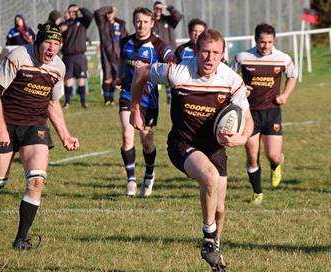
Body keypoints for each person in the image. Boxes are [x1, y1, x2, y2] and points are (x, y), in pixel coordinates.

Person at [130, 29, 253, 271]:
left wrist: (243, 137)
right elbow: (141, 71)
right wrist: (135, 109)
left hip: (215, 147)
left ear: (222, 55)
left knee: (219, 207)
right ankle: (208, 240)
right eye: (205, 51)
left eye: (215, 53)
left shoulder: (232, 81)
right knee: (209, 177)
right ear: (196, 51)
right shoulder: (177, 72)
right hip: (182, 143)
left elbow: (247, 118)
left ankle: (215, 252)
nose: (209, 58)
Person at [0, 22, 80, 251]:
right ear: (37, 42)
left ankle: (21, 239)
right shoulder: (18, 55)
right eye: (48, 42)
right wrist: (0, 128)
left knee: (37, 180)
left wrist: (65, 135)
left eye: (56, 44)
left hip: (35, 127)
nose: (52, 48)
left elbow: (53, 102)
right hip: (7, 124)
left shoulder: (58, 67)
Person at [230, 22, 297, 204]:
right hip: (249, 114)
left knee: (273, 155)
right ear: (255, 40)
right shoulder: (242, 57)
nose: (265, 46)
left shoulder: (283, 59)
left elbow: (292, 76)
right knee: (253, 156)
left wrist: (285, 95)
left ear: (273, 40)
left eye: (269, 42)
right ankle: (257, 193)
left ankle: (276, 166)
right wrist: (241, 89)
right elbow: (228, 78)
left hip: (272, 112)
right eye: (262, 42)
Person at [114, 7, 173, 198]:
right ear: (133, 22)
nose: (141, 25)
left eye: (145, 22)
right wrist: (119, 77)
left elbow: (171, 66)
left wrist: (151, 69)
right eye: (138, 21)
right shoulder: (125, 42)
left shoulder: (159, 45)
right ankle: (131, 180)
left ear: (152, 23)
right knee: (127, 136)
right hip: (128, 96)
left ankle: (149, 174)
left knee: (147, 142)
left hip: (150, 101)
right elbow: (122, 61)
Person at [94, 6, 128, 105]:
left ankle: (124, 98)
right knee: (108, 77)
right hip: (106, 55)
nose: (109, 14)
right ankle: (108, 100)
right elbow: (97, 12)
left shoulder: (120, 25)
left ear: (114, 13)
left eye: (111, 12)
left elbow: (125, 37)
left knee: (121, 76)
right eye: (107, 13)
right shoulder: (103, 23)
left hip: (119, 55)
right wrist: (109, 8)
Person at [60, 4, 93, 109]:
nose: (73, 13)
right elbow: (56, 31)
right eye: (71, 11)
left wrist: (80, 9)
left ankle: (83, 102)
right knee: (68, 80)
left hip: (79, 56)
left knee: (80, 79)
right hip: (68, 56)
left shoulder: (83, 22)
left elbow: (89, 16)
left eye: (74, 11)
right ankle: (67, 102)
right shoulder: (64, 24)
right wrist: (60, 30)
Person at [152, 1, 182, 104]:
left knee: (170, 74)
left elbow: (178, 15)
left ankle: (171, 97)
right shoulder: (151, 22)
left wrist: (167, 7)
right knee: (155, 74)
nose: (158, 10)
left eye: (160, 8)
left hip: (169, 51)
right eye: (156, 8)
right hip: (155, 52)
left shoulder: (168, 21)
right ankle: (152, 97)